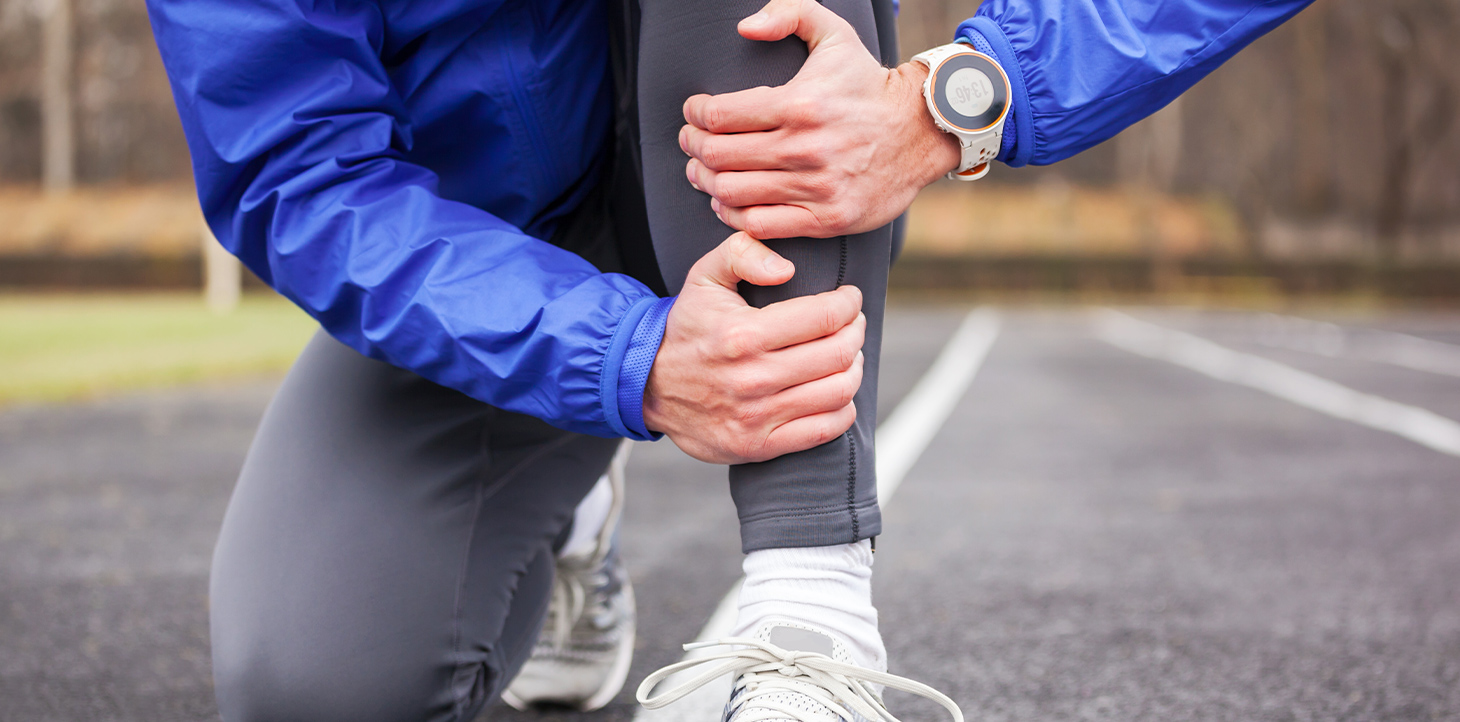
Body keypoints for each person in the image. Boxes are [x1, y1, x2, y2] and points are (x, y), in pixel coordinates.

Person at [144, 0, 1313, 720]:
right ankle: (575, 518)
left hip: (740, 156)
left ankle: (808, 612)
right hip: (493, 258)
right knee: (316, 692)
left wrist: (964, 96)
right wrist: (624, 352)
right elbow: (300, 175)